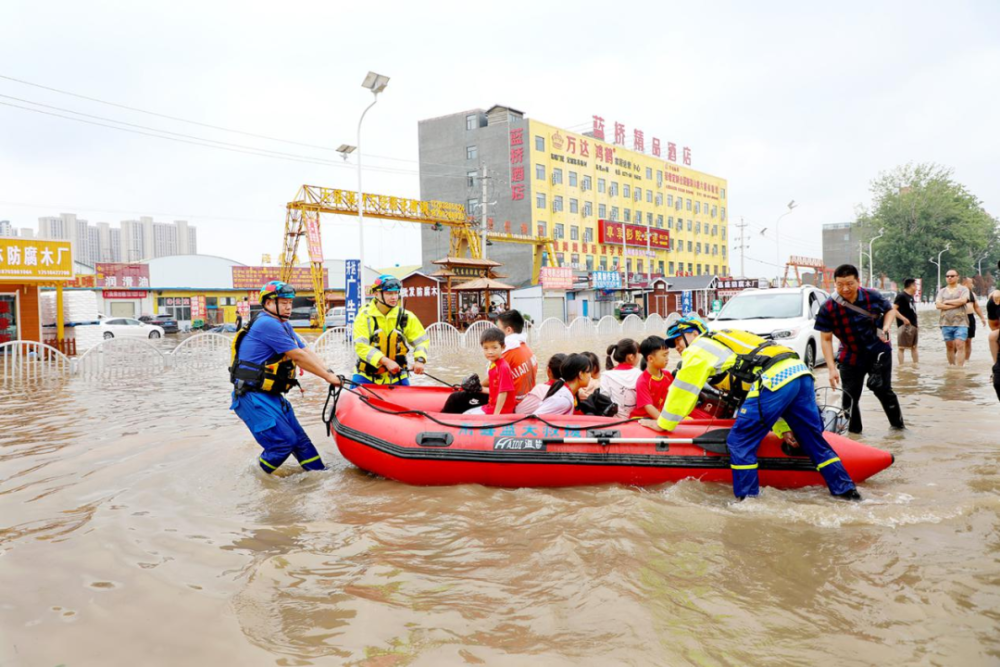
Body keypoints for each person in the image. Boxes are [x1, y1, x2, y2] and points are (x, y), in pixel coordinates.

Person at [640, 315, 860, 501]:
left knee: (740, 441)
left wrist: (663, 423)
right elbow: (760, 392)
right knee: (813, 441)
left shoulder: (699, 348)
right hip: (799, 373)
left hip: (774, 379)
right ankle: (847, 491)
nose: (677, 347)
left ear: (693, 333)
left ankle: (747, 503)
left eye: (678, 339)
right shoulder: (727, 338)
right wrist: (783, 429)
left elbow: (683, 391)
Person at [229, 281, 343, 474]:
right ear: (268, 303)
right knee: (283, 443)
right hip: (251, 397)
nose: (289, 306)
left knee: (301, 441)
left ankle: (320, 474)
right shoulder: (267, 323)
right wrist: (326, 377)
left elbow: (305, 351)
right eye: (283, 302)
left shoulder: (284, 325)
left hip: (271, 396)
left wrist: (330, 372)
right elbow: (297, 357)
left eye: (290, 302)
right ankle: (256, 478)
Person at [815, 264, 904, 434]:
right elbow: (826, 339)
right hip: (850, 354)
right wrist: (831, 368)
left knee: (883, 390)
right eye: (840, 285)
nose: (845, 289)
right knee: (849, 397)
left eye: (849, 283)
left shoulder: (872, 296)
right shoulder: (828, 307)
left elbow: (890, 311)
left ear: (858, 281)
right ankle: (855, 435)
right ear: (835, 283)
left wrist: (885, 327)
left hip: (878, 351)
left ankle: (898, 429)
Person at [353, 274, 429, 385]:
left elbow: (421, 341)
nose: (394, 297)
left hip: (397, 377)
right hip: (366, 377)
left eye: (396, 293)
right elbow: (361, 347)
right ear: (376, 294)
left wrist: (420, 360)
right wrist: (385, 361)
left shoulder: (407, 316)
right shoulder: (364, 316)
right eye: (389, 293)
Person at [497, 309, 537, 401]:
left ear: (508, 330)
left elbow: (490, 381)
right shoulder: (526, 348)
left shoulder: (507, 352)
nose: (496, 333)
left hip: (512, 403)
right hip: (527, 399)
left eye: (498, 329)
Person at [631, 336, 673, 419]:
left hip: (661, 415)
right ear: (650, 358)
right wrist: (665, 422)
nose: (667, 359)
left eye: (667, 355)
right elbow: (648, 407)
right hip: (642, 418)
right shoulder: (643, 381)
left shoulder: (667, 375)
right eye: (664, 355)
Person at [935, 269, 971, 367]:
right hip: (945, 322)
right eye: (947, 276)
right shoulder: (942, 291)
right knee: (949, 346)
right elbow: (938, 305)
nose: (949, 278)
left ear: (957, 277)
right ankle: (952, 366)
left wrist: (946, 302)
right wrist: (955, 304)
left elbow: (964, 300)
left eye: (952, 276)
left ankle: (959, 369)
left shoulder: (963, 289)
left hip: (961, 322)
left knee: (960, 344)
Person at [601, 338, 642, 416]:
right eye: (638, 353)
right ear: (631, 357)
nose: (639, 357)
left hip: (614, 422)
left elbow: (604, 401)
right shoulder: (640, 374)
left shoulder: (606, 376)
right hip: (636, 421)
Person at [893, 278, 920, 364]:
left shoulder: (911, 297)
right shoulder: (901, 296)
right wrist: (903, 319)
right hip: (904, 325)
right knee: (901, 347)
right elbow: (893, 310)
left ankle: (916, 365)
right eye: (915, 285)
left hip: (913, 325)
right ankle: (901, 366)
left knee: (914, 347)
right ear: (911, 286)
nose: (916, 287)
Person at [962, 277, 987, 363]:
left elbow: (976, 307)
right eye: (971, 283)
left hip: (970, 318)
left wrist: (982, 318)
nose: (972, 285)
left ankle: (966, 360)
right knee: (959, 341)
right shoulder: (958, 292)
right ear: (965, 283)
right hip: (959, 318)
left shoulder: (972, 294)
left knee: (968, 341)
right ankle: (955, 358)